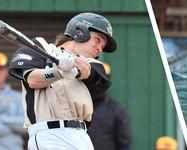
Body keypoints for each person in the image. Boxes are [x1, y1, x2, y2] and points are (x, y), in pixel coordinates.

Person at [8, 12, 115, 149]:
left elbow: (91, 73)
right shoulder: (41, 48)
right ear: (80, 31)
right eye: (98, 40)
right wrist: (58, 72)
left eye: (103, 45)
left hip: (81, 136)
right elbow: (33, 80)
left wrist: (74, 68)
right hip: (49, 134)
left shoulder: (92, 63)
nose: (100, 49)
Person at [86, 63, 131, 150]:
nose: (99, 84)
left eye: (103, 80)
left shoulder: (116, 110)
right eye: (95, 79)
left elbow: (124, 142)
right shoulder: (77, 106)